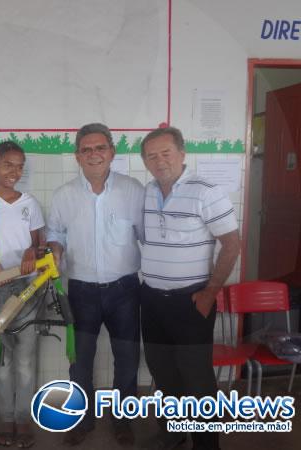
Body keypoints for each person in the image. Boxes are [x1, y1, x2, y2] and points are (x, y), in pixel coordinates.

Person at [139, 127, 240, 450]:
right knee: (163, 371)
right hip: (152, 300)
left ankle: (207, 444)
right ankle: (173, 431)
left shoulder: (206, 192)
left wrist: (210, 292)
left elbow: (231, 245)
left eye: (165, 153)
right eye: (151, 156)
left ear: (182, 154)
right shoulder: (145, 192)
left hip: (191, 301)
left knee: (197, 378)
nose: (159, 161)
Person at [46, 123, 144, 446]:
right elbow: (55, 235)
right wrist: (56, 249)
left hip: (125, 290)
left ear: (112, 152)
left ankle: (123, 421)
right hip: (82, 291)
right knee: (80, 361)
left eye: (100, 147)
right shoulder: (63, 196)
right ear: (77, 156)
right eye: (86, 149)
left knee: (127, 357)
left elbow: (147, 237)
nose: (94, 154)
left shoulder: (134, 191)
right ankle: (83, 420)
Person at [0, 141, 44, 449]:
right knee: (1, 359)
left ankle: (24, 420)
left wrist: (31, 250)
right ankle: (6, 419)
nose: (14, 171)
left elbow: (39, 245)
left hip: (28, 289)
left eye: (19, 166)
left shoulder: (30, 203)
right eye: (8, 165)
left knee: (26, 360)